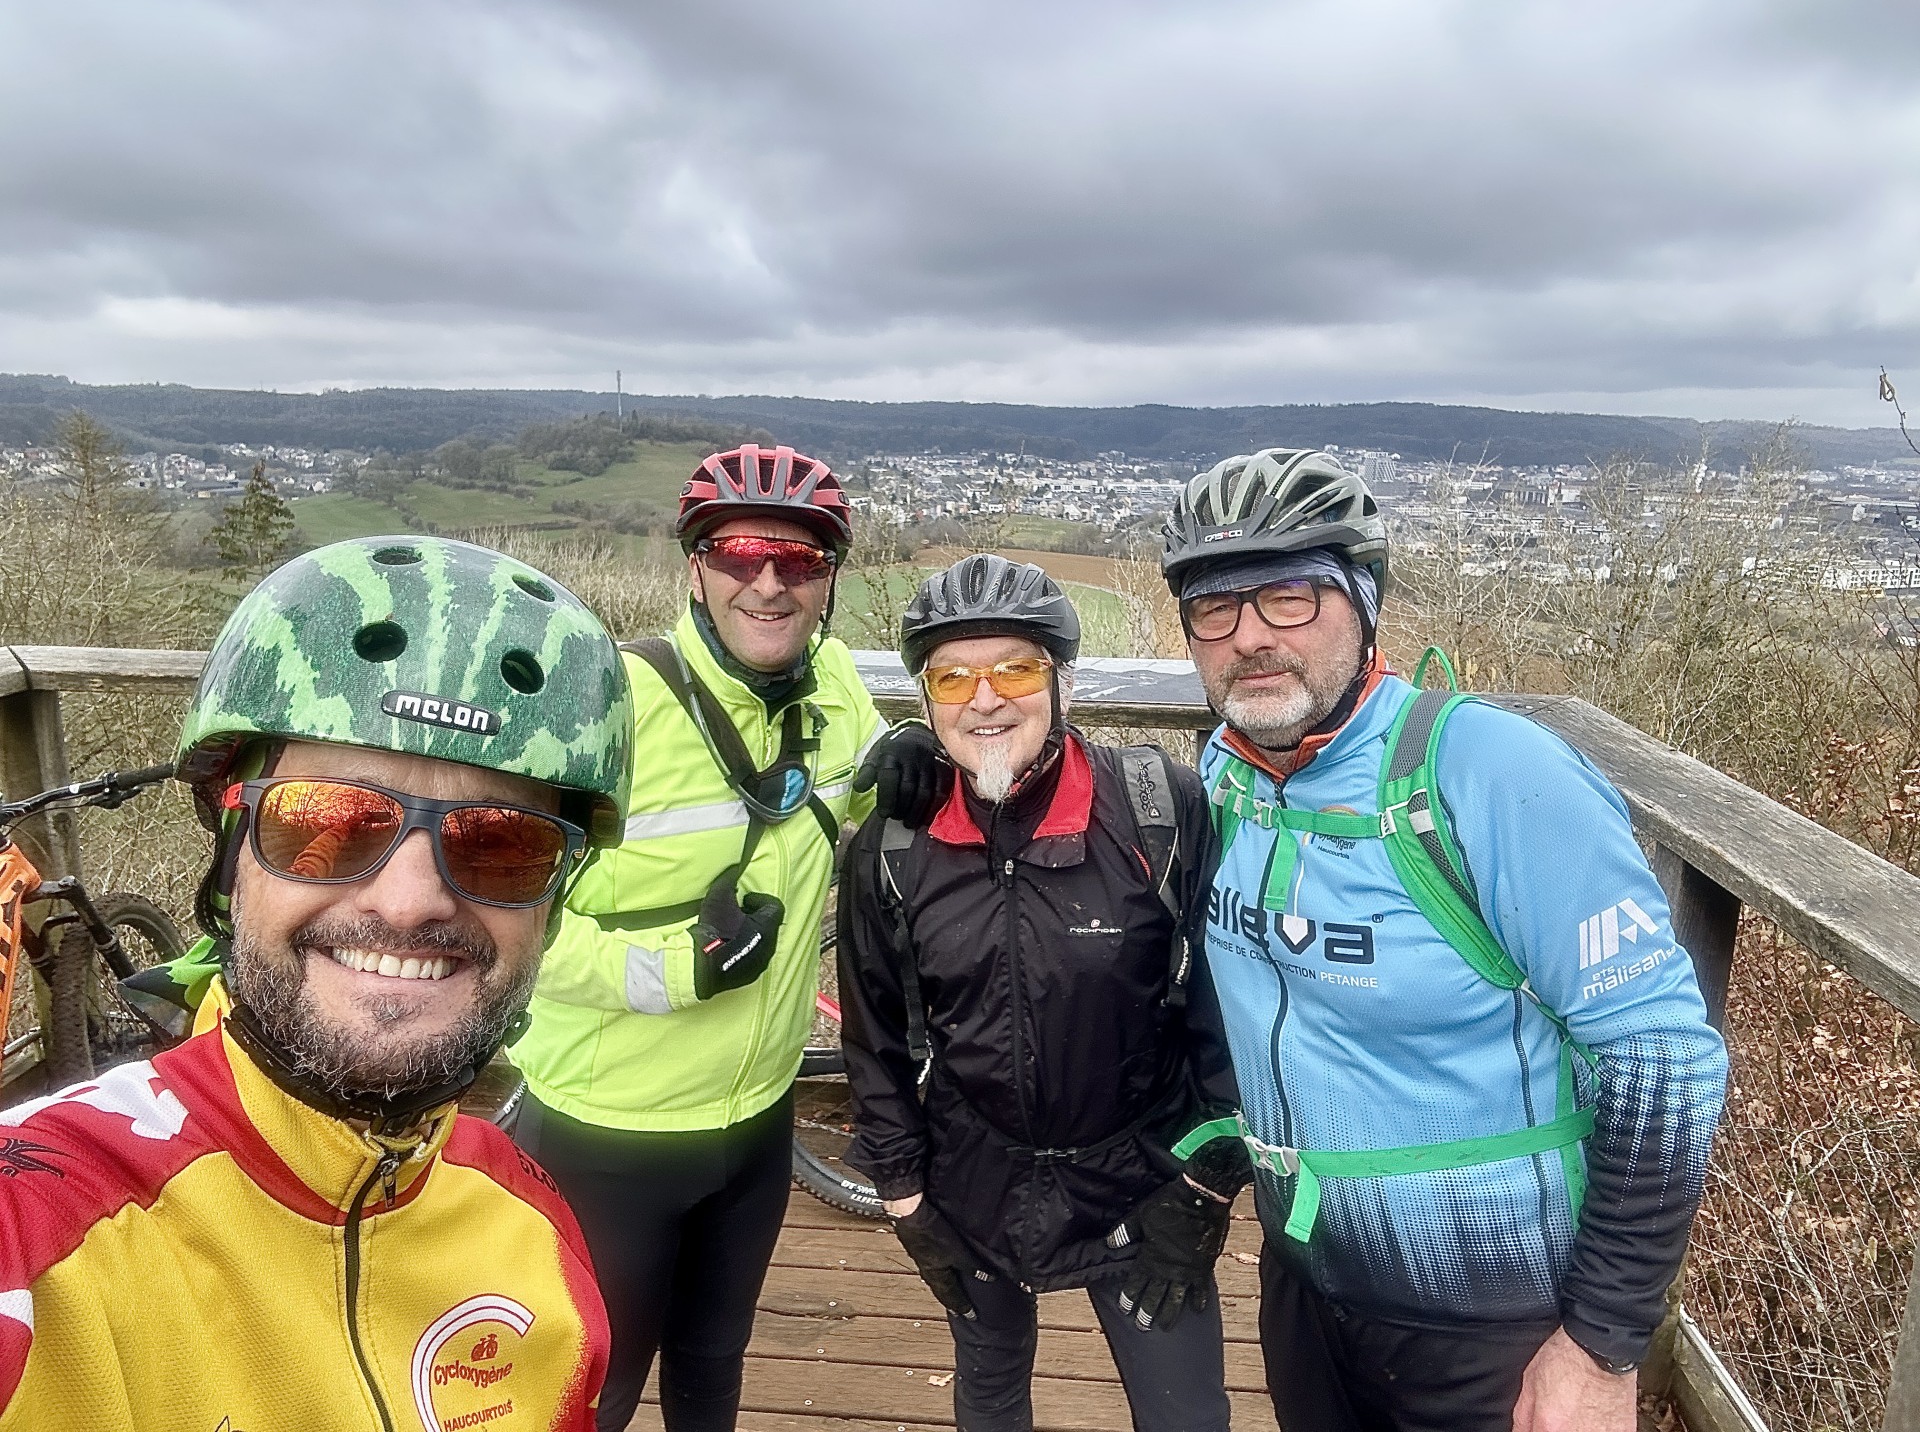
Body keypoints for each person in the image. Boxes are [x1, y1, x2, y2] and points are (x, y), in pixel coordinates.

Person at [0, 536, 633, 1431]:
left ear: (553, 904)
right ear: (229, 862)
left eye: (500, 843)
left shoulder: (532, 1224)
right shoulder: (38, 1227)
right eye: (330, 820)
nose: (411, 902)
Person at [1160, 448, 1729, 1432]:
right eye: (1217, 607)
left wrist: (1601, 1348)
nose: (1250, 636)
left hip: (1494, 1322)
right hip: (1307, 1288)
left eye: (1290, 597)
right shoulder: (1224, 780)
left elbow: (1665, 1059)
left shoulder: (1492, 775)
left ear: (1365, 602)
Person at [508, 443, 930, 1431]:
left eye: (803, 559)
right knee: (589, 1394)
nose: (769, 582)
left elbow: (845, 789)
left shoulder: (834, 690)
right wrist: (674, 972)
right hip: (606, 1133)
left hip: (757, 1124)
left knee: (712, 1374)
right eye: (740, 552)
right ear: (693, 566)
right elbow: (506, 930)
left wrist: (907, 752)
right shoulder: (607, 705)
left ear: (831, 580)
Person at [837, 553, 1251, 1432]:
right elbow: (873, 1037)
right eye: (952, 676)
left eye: (1014, 669)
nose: (984, 699)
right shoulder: (892, 845)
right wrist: (906, 1199)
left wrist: (1207, 1185)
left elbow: (1229, 1014)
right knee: (989, 1404)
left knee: (1188, 1418)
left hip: (1140, 1183)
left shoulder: (1156, 811)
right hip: (972, 1184)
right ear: (925, 699)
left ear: (1061, 681)